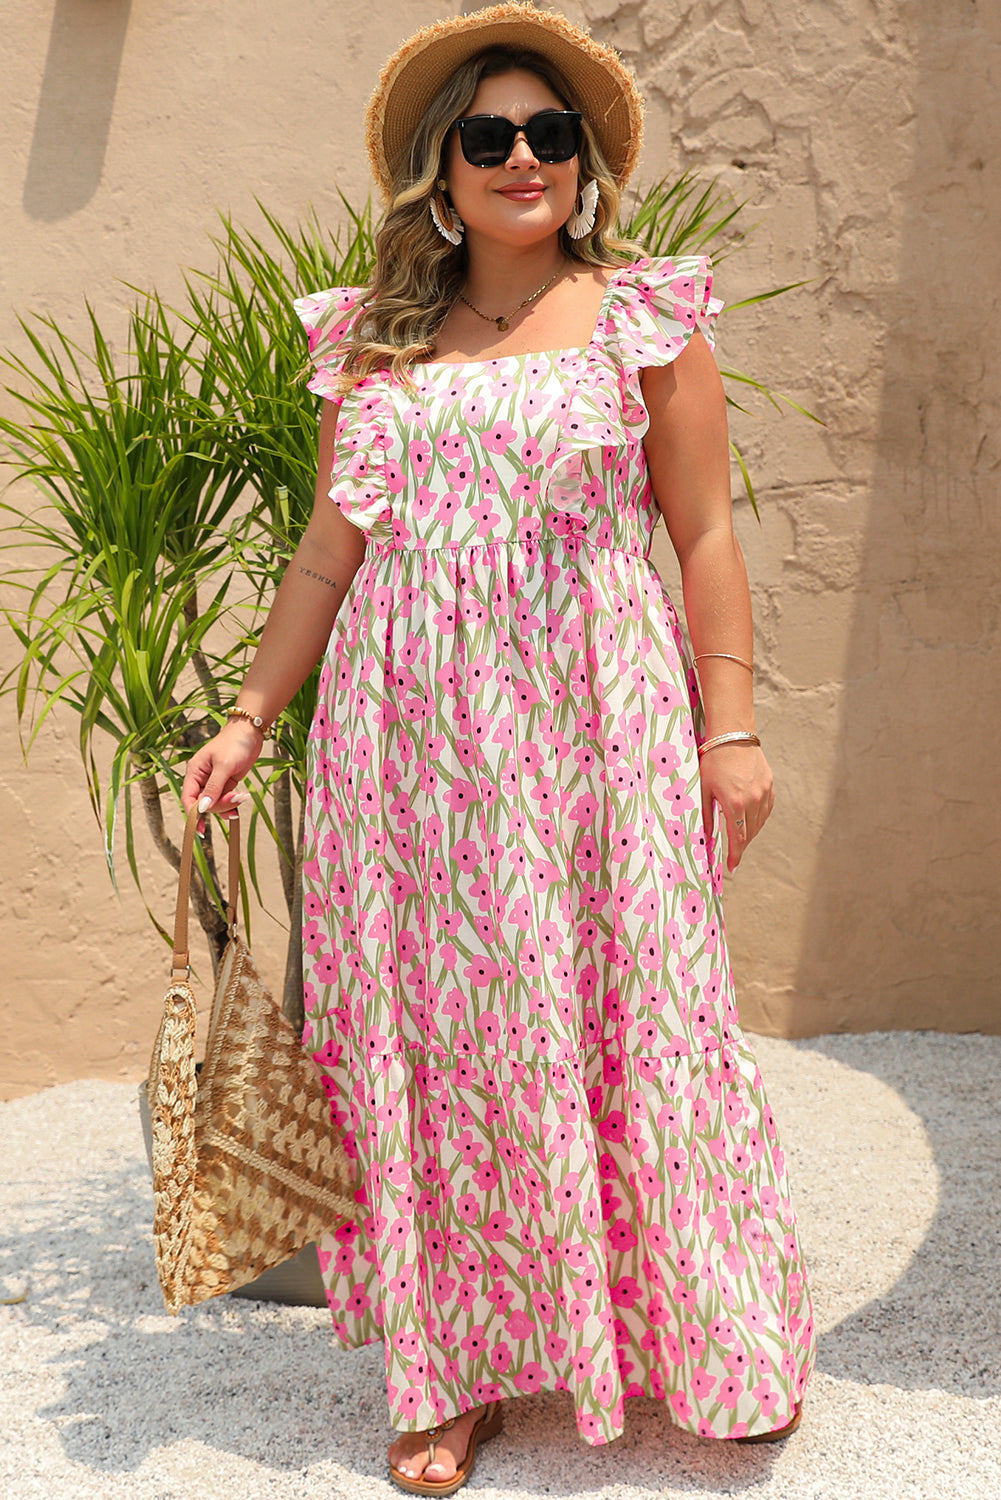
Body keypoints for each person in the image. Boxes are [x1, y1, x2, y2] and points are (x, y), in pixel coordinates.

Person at [182, 3, 815, 1492]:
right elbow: (330, 553)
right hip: (406, 750)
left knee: (641, 1017)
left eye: (548, 133)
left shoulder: (648, 320)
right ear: (443, 171)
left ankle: (707, 1344)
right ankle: (449, 1369)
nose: (522, 158)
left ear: (582, 162)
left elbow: (705, 533)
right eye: (488, 136)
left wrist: (728, 726)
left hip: (598, 731)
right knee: (438, 1044)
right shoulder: (375, 342)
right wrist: (251, 713)